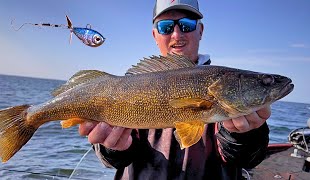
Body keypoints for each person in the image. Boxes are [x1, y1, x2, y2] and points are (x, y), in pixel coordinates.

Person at [78, 0, 271, 179]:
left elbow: (247, 160)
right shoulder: (133, 85)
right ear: (155, 35)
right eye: (165, 27)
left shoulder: (221, 84)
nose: (177, 35)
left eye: (187, 25)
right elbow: (114, 161)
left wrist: (245, 137)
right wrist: (112, 148)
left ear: (201, 30)